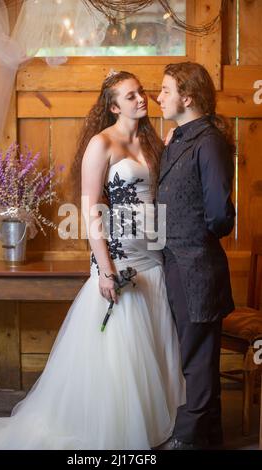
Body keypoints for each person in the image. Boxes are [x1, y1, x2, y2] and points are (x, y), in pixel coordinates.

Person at [0, 70, 185, 450]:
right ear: (114, 106)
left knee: (154, 344)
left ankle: (154, 426)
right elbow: (90, 210)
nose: (141, 99)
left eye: (141, 93)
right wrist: (106, 270)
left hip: (153, 257)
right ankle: (115, 431)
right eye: (130, 96)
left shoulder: (153, 141)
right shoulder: (102, 145)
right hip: (119, 256)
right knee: (121, 350)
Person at [157, 62, 236, 450]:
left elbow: (220, 214)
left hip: (197, 267)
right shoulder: (181, 138)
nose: (159, 97)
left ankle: (187, 441)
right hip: (177, 264)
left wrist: (194, 240)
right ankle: (209, 440)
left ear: (187, 97)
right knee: (196, 356)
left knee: (198, 360)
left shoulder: (209, 141)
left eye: (166, 90)